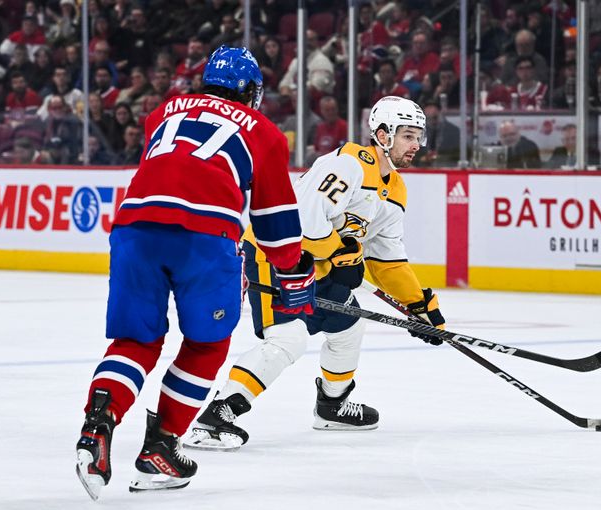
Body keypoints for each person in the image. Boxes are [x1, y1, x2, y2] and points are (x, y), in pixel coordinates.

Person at [74, 46, 315, 500]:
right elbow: (276, 226)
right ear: (250, 92)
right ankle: (159, 450)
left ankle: (96, 428)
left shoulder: (163, 111)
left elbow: (170, 169)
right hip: (203, 235)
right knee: (206, 345)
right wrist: (295, 271)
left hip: (133, 227)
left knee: (136, 341)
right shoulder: (264, 131)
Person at [187, 95, 446, 451]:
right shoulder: (349, 165)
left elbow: (387, 259)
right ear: (383, 135)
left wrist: (420, 306)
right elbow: (304, 223)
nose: (416, 145)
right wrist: (342, 252)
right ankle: (217, 415)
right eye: (407, 135)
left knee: (349, 326)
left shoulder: (396, 190)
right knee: (289, 338)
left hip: (320, 265)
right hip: (277, 254)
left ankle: (332, 405)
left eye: (419, 136)